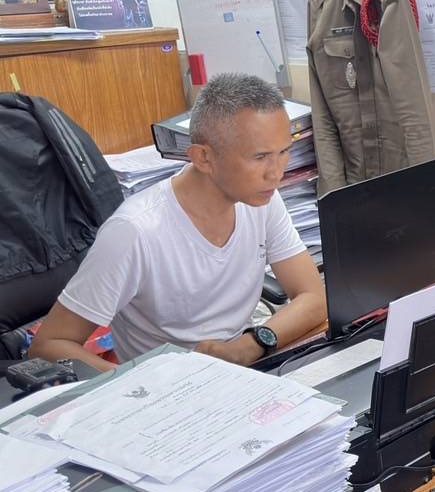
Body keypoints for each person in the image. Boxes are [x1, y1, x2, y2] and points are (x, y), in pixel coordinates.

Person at [30, 75, 325, 372]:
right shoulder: (135, 231)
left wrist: (248, 347)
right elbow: (48, 347)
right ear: (204, 158)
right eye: (260, 157)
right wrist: (143, 388)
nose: (276, 173)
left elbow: (314, 297)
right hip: (169, 392)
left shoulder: (261, 200)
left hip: (244, 374)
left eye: (284, 151)